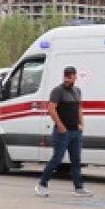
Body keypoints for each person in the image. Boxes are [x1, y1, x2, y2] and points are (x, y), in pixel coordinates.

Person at [35, 66, 93, 198]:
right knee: (57, 159)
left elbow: (79, 108)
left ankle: (79, 187)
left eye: (70, 77)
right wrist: (60, 125)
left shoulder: (77, 91)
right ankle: (42, 184)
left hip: (75, 132)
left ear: (75, 77)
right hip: (62, 133)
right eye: (65, 76)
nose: (67, 79)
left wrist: (81, 123)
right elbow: (51, 109)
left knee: (76, 160)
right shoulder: (57, 91)